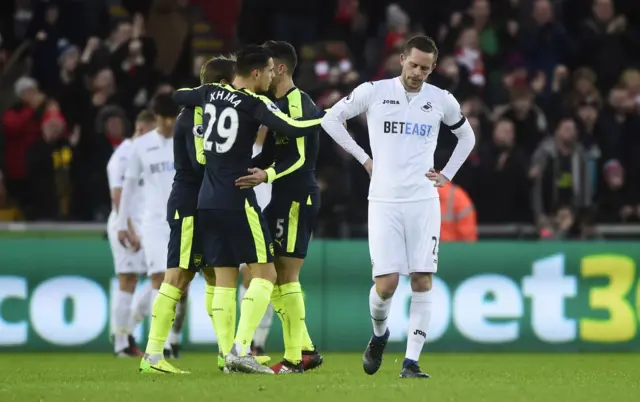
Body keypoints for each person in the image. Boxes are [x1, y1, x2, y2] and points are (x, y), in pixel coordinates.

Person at [320, 35, 475, 378]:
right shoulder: (374, 91)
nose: (417, 72)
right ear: (401, 58)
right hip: (384, 200)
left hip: (423, 200)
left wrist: (447, 174)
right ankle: (379, 335)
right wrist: (363, 159)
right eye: (413, 64)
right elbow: (330, 119)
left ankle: (411, 362)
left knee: (422, 279)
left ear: (433, 68)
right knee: (386, 284)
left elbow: (468, 137)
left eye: (425, 67)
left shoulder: (441, 100)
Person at [172, 44, 323, 374]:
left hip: (206, 200)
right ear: (256, 73)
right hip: (239, 196)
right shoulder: (255, 103)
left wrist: (202, 92)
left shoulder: (210, 92)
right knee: (266, 273)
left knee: (225, 279)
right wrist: (330, 117)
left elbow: (178, 96)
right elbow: (293, 129)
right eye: (268, 70)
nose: (271, 75)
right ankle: (242, 349)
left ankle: (227, 354)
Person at [235, 40, 324, 373]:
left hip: (298, 198)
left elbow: (300, 157)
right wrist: (244, 169)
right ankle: (306, 349)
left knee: (286, 276)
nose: (267, 73)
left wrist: (267, 174)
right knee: (271, 274)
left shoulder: (299, 102)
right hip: (281, 198)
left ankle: (296, 357)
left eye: (271, 67)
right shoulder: (274, 105)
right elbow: (272, 152)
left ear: (282, 69)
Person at [116, 93, 184, 363]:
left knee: (179, 284)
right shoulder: (141, 146)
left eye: (173, 118)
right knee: (160, 278)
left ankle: (134, 322)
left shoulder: (188, 140)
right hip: (154, 222)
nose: (168, 124)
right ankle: (162, 345)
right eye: (164, 119)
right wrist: (122, 223)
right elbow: (129, 186)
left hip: (185, 220)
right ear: (156, 117)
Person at [106, 110, 155, 357]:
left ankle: (127, 331)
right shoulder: (123, 156)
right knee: (127, 281)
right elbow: (118, 197)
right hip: (126, 227)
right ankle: (121, 343)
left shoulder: (140, 154)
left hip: (143, 225)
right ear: (143, 130)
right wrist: (130, 230)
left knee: (162, 276)